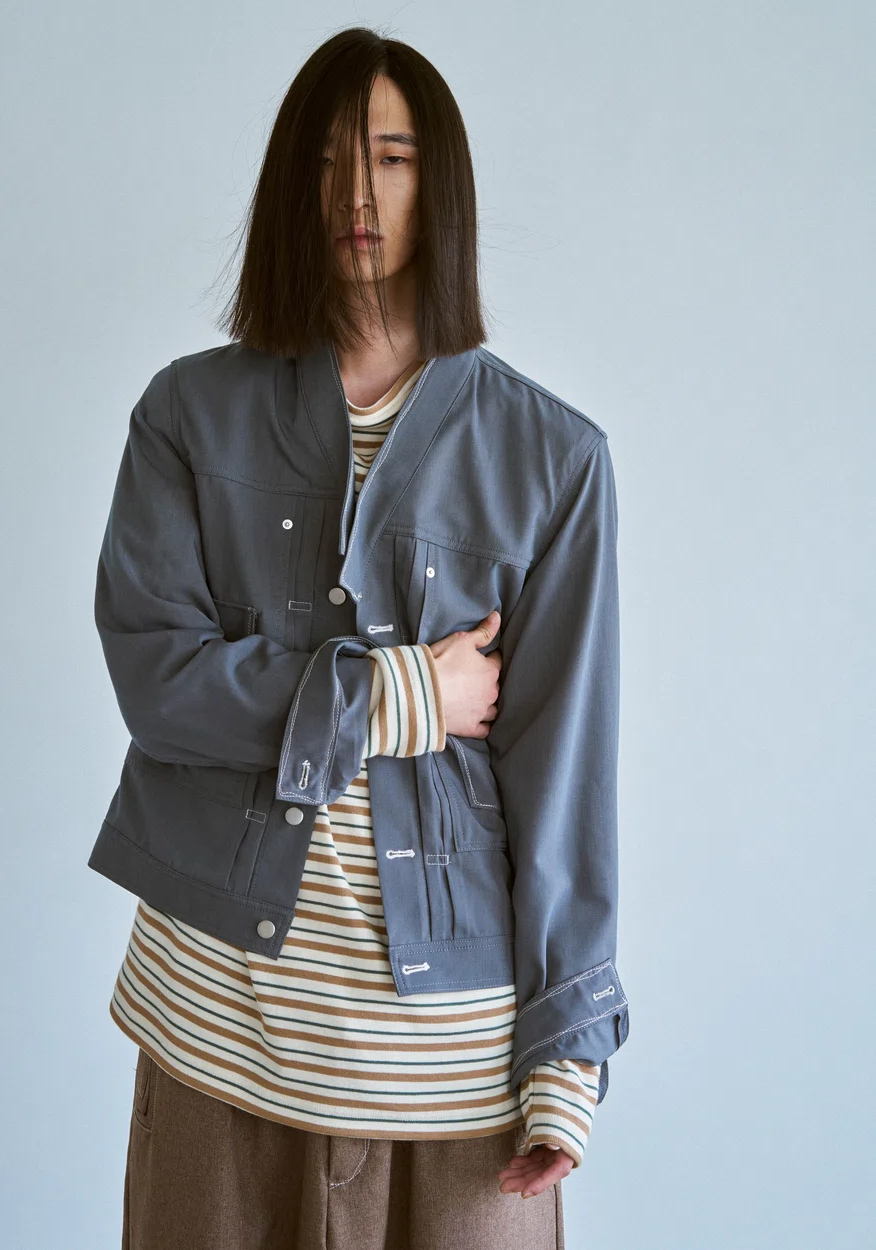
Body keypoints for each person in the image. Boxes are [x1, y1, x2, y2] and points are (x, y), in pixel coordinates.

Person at [91, 25, 626, 1250]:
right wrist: (401, 695)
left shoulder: (554, 458)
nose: (358, 196)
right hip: (217, 1024)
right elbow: (159, 682)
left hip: (453, 1069)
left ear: (441, 184)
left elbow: (567, 775)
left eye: (391, 157)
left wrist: (569, 1050)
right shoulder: (186, 412)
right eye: (330, 160)